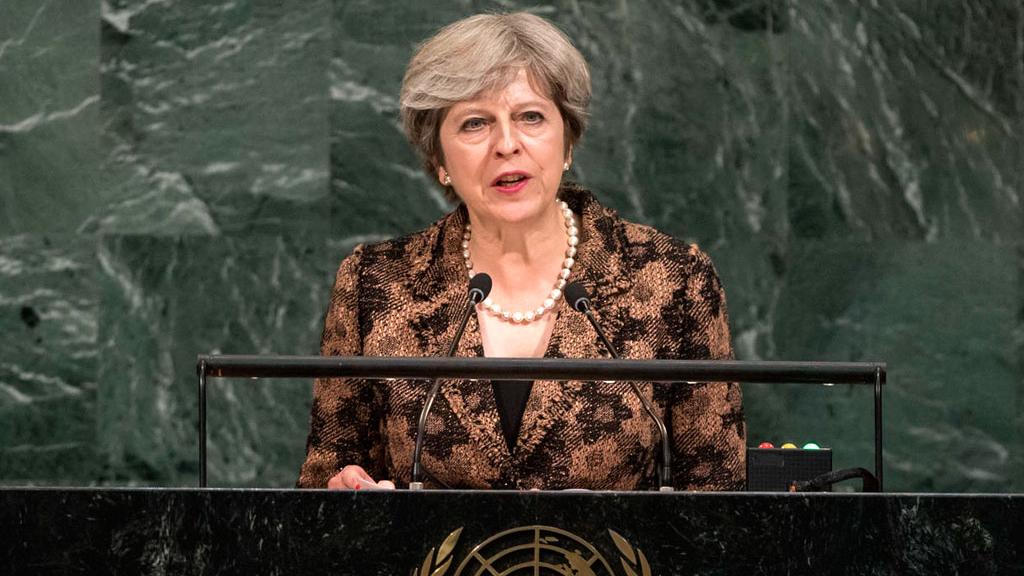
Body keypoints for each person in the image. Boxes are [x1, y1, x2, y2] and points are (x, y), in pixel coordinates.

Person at [297, 12, 744, 491]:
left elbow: (719, 500)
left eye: (531, 117)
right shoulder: (374, 284)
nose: (507, 145)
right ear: (439, 159)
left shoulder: (674, 280)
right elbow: (323, 486)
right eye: (475, 124)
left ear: (567, 140)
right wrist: (345, 495)